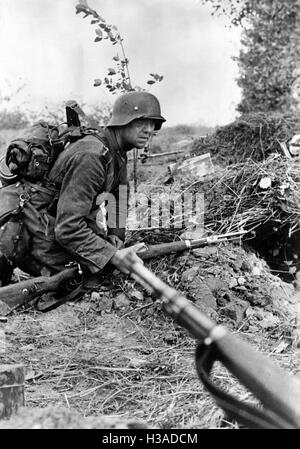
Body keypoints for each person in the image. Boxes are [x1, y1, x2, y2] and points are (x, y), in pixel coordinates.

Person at [0, 91, 166, 285]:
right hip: (28, 224)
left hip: (54, 218)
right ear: (121, 122)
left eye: (152, 123)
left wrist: (115, 238)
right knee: (88, 278)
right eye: (140, 122)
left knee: (101, 262)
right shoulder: (92, 155)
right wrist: (112, 256)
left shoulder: (116, 151)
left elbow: (119, 197)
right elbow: (68, 228)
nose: (148, 130)